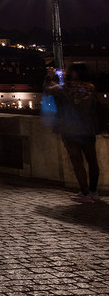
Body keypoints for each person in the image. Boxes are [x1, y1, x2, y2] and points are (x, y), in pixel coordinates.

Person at [45, 63, 101, 203]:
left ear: (73, 73)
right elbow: (96, 109)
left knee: (78, 163)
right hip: (88, 130)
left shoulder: (65, 88)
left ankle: (84, 193)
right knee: (92, 161)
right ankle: (94, 191)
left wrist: (50, 77)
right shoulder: (91, 89)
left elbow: (48, 90)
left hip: (70, 131)